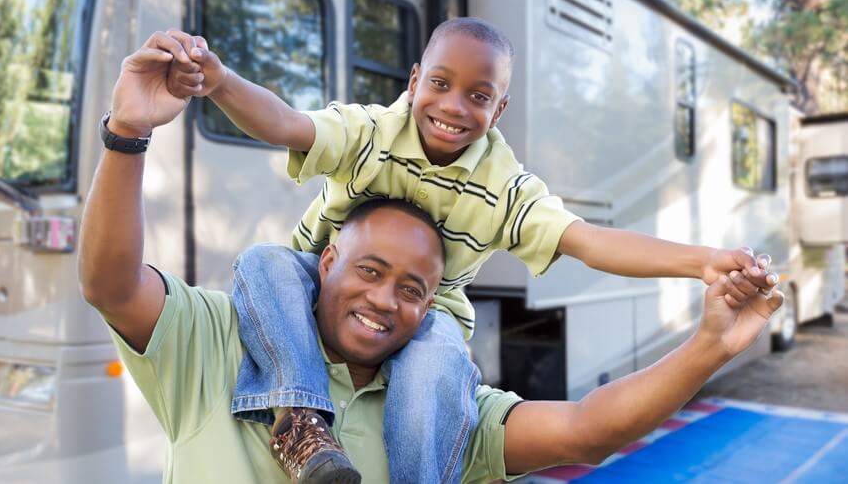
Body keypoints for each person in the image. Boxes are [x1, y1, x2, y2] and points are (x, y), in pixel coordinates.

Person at [78, 31, 784, 484]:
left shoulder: (501, 193)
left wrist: (700, 269)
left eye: (478, 95)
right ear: (414, 80)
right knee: (263, 260)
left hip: (438, 330)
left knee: (438, 360)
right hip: (290, 291)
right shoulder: (218, 344)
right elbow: (285, 123)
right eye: (369, 271)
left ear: (499, 110)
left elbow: (591, 252)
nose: (453, 106)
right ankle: (299, 417)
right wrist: (209, 86)